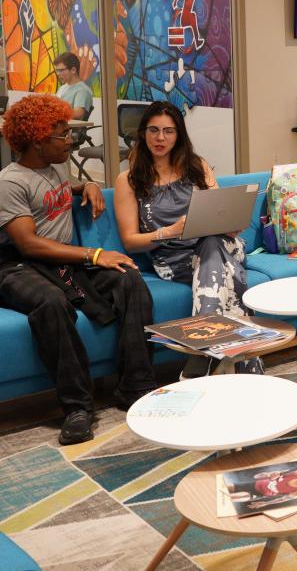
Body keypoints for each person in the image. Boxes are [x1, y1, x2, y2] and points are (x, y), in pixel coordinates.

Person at [0, 94, 156, 444]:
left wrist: (85, 184)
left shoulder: (54, 166)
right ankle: (77, 406)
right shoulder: (9, 182)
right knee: (52, 304)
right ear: (38, 140)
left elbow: (54, 191)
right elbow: (27, 243)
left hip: (62, 260)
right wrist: (94, 253)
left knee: (129, 278)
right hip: (18, 265)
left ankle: (136, 385)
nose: (70, 140)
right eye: (61, 134)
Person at [112, 101, 257, 379]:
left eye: (169, 131)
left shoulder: (197, 166)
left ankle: (202, 349)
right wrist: (170, 231)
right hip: (173, 259)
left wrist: (229, 224)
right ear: (142, 134)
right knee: (222, 266)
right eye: (153, 130)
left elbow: (219, 209)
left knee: (212, 243)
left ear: (179, 135)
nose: (160, 138)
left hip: (221, 246)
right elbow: (130, 241)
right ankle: (245, 366)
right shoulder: (128, 180)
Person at [53, 52, 93, 121]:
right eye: (57, 71)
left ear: (73, 70)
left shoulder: (83, 90)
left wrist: (55, 113)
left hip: (69, 130)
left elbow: (78, 113)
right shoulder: (62, 88)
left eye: (61, 70)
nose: (58, 74)